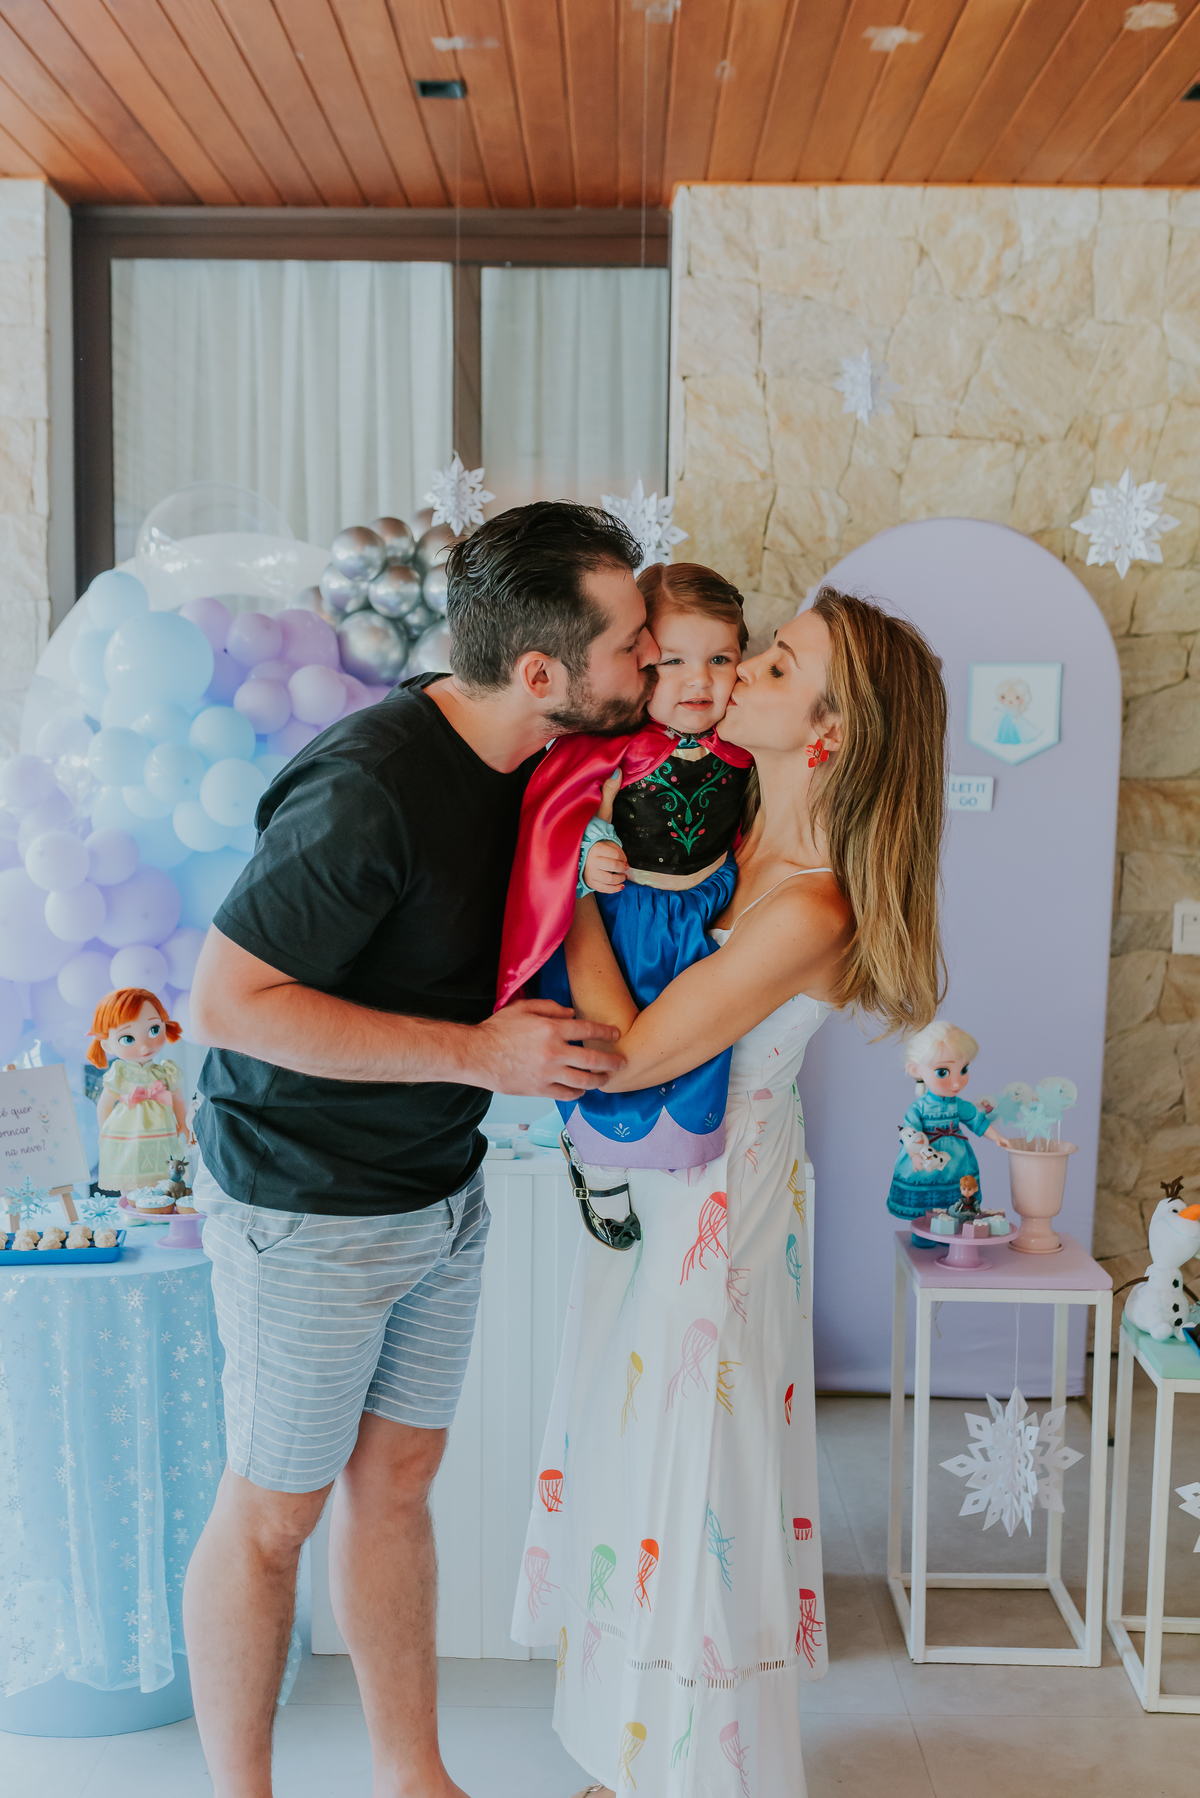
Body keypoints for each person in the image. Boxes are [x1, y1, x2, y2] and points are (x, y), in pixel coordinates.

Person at [184, 501, 659, 1798]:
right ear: (546, 674)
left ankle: (414, 1775)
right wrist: (477, 1057)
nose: (652, 659)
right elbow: (227, 1004)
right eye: (632, 643)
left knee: (397, 1482)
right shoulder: (371, 786)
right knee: (275, 1512)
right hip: (306, 1200)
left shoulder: (539, 768)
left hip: (436, 1186)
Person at [508, 587, 948, 1797]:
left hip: (721, 1230)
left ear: (832, 729)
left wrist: (565, 897)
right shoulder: (735, 819)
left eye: (776, 663)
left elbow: (635, 1053)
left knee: (688, 1484)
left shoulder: (812, 902)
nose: (739, 671)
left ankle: (694, 1769)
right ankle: (627, 1758)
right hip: (659, 1209)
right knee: (628, 1469)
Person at [498, 562, 754, 1170]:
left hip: (701, 911)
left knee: (689, 1041)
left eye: (720, 660)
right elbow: (565, 815)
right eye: (675, 660)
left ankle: (686, 1157)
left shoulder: (744, 749)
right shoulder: (618, 746)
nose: (700, 681)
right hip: (627, 912)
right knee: (611, 1035)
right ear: (641, 660)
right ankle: (596, 1158)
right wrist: (591, 857)